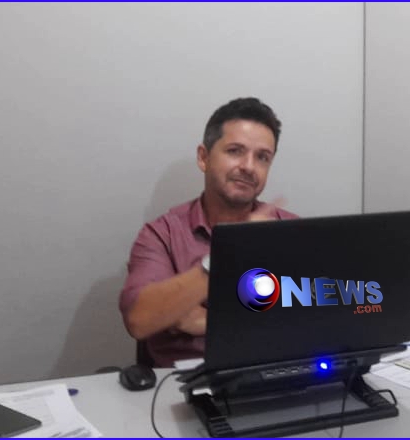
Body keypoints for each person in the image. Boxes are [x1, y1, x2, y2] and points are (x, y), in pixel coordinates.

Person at [119, 97, 298, 367]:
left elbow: (321, 315)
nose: (249, 166)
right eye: (235, 151)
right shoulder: (162, 235)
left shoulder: (289, 231)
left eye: (262, 157)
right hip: (184, 384)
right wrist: (229, 255)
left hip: (273, 375)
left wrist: (205, 320)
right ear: (204, 157)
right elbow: (139, 320)